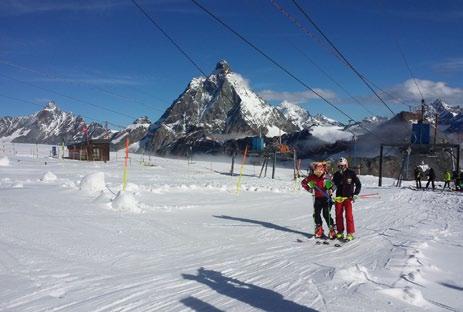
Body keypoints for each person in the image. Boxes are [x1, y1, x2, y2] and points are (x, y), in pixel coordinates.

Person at [301, 162, 336, 239]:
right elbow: (303, 183)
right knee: (316, 214)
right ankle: (319, 229)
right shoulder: (312, 177)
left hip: (327, 198)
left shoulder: (328, 176)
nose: (318, 174)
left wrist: (331, 189)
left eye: (319, 172)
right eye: (316, 172)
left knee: (326, 214)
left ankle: (332, 229)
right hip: (317, 198)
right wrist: (310, 189)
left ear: (322, 170)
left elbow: (334, 183)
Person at [332, 157, 361, 241]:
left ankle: (350, 233)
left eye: (343, 166)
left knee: (348, 215)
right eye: (340, 166)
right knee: (338, 215)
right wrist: (331, 190)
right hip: (339, 198)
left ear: (346, 165)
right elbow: (334, 185)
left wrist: (355, 194)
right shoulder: (336, 174)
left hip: (348, 197)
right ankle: (340, 231)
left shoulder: (351, 173)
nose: (341, 168)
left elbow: (358, 184)